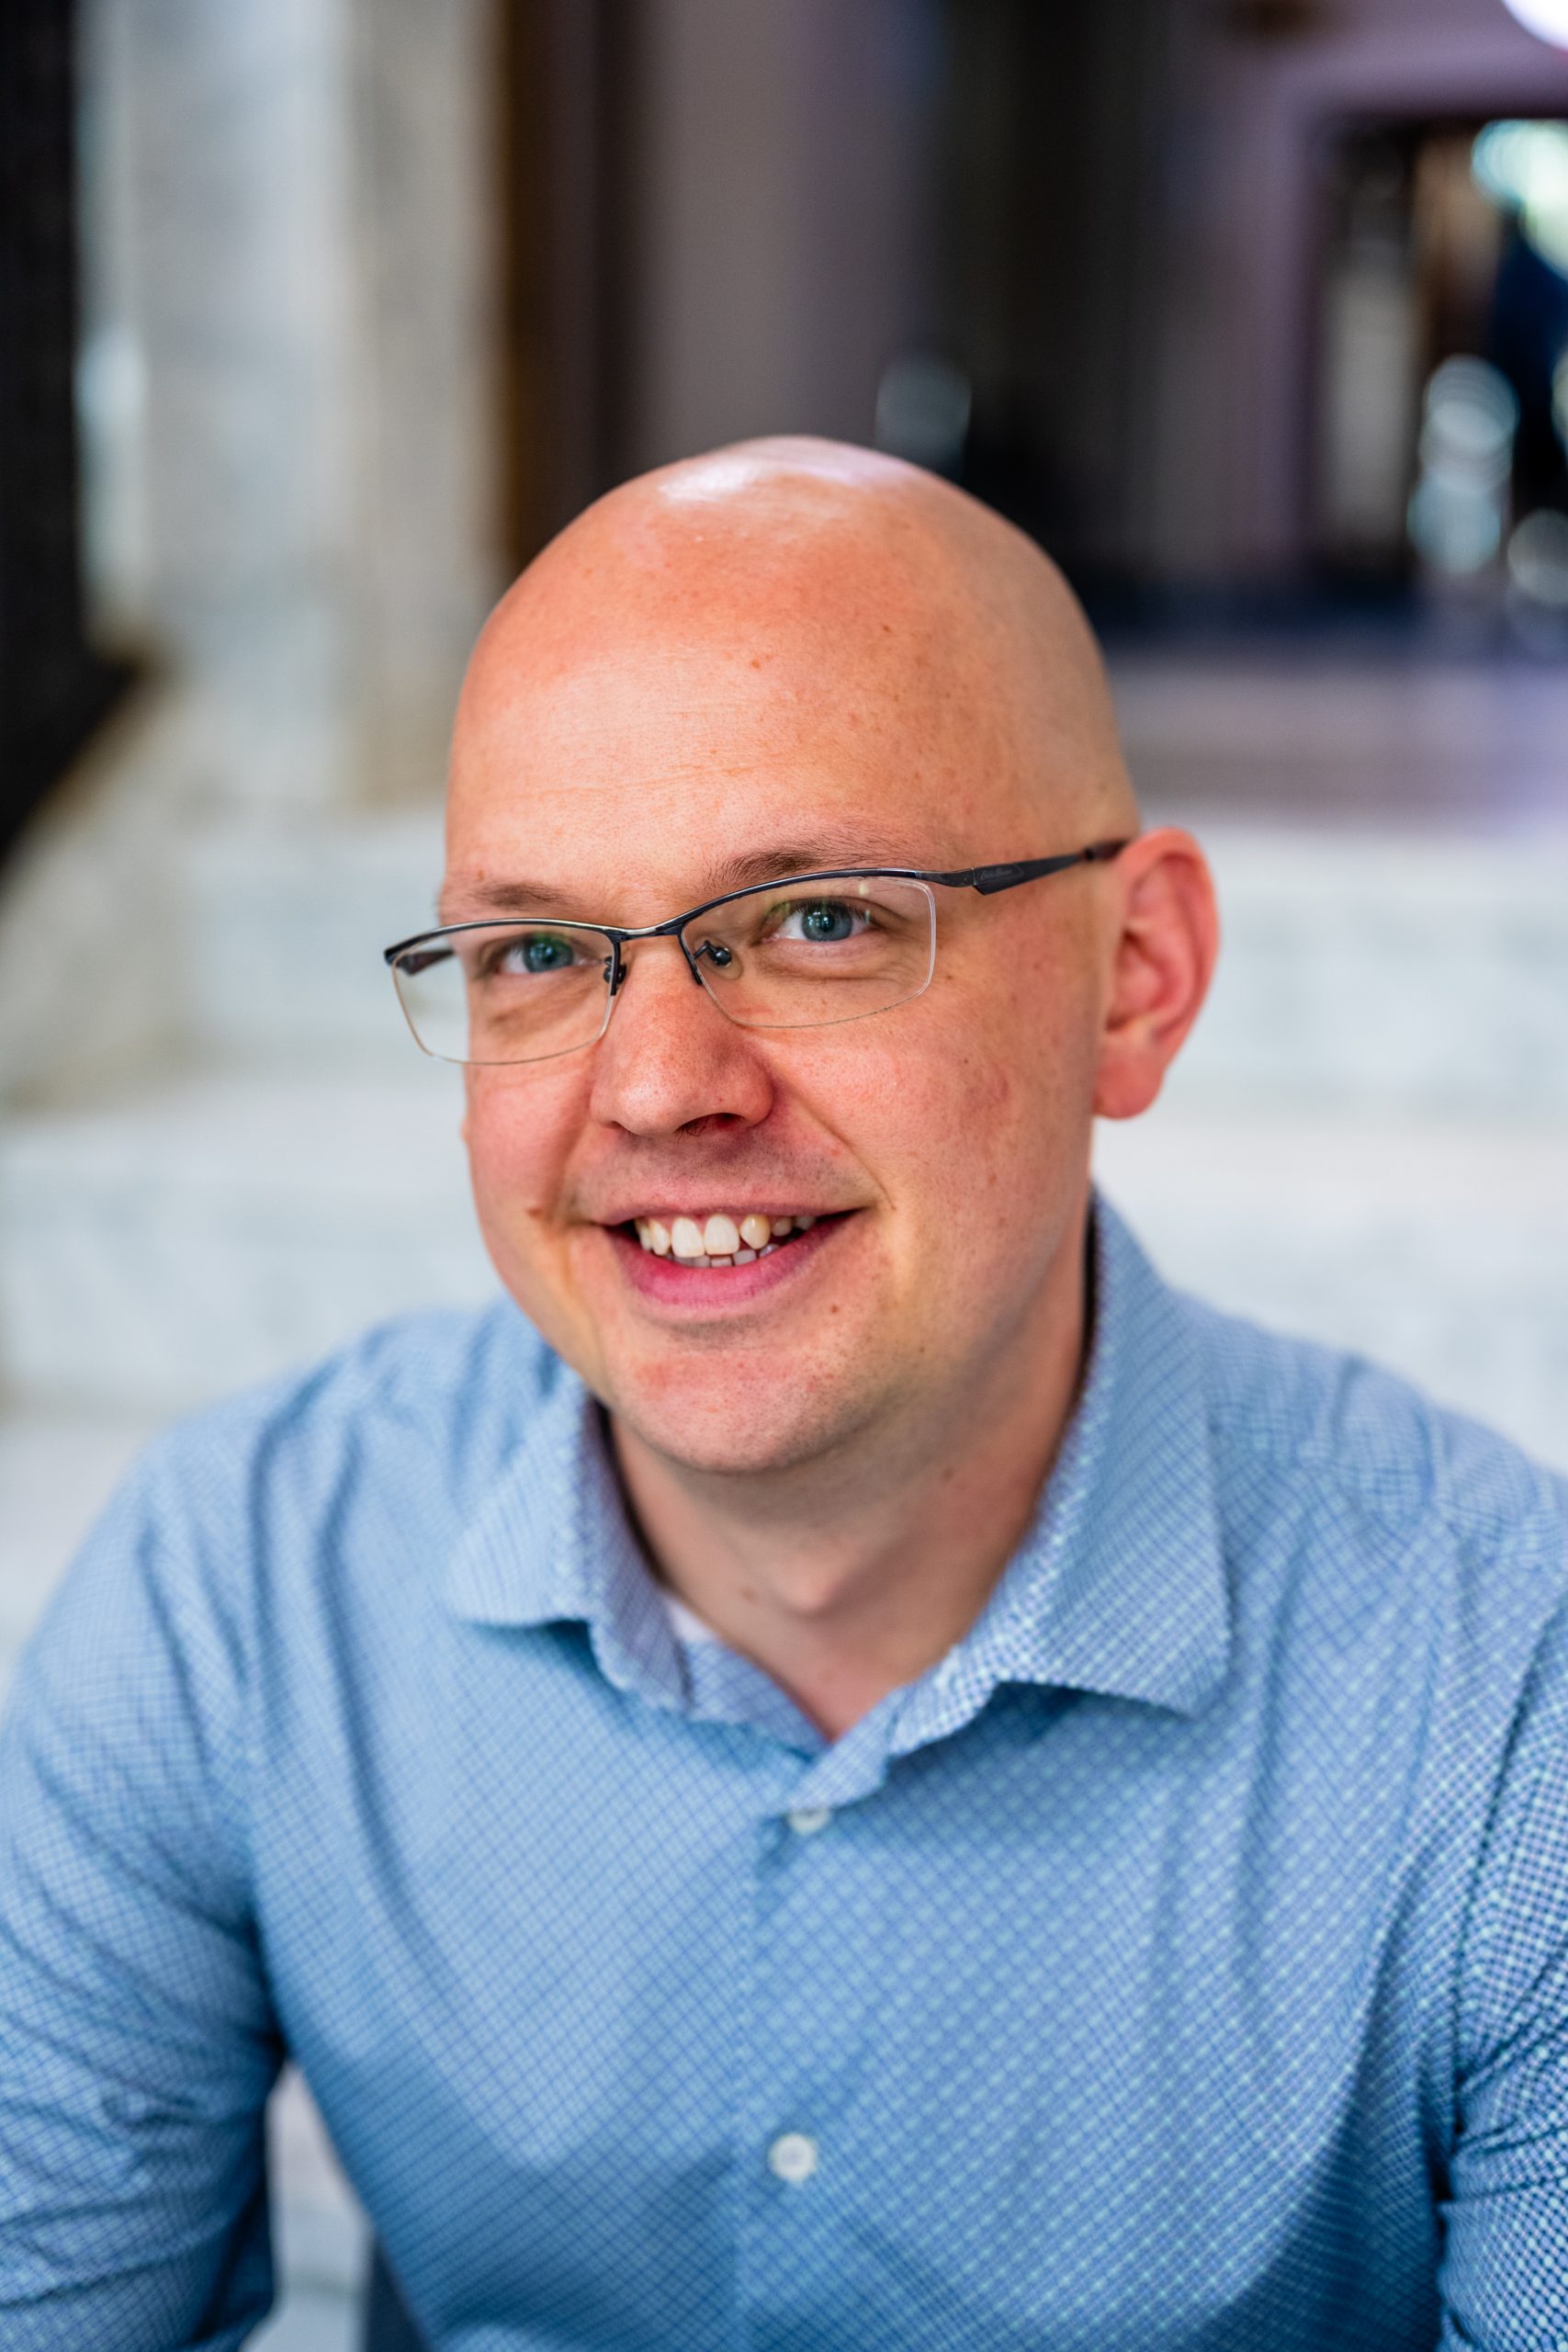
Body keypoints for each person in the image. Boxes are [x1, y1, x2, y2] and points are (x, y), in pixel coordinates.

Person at [1, 438, 1565, 2352]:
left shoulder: (1508, 1698)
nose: (661, 1086)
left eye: (822, 917)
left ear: (1135, 979)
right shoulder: (239, 1587)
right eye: (539, 952)